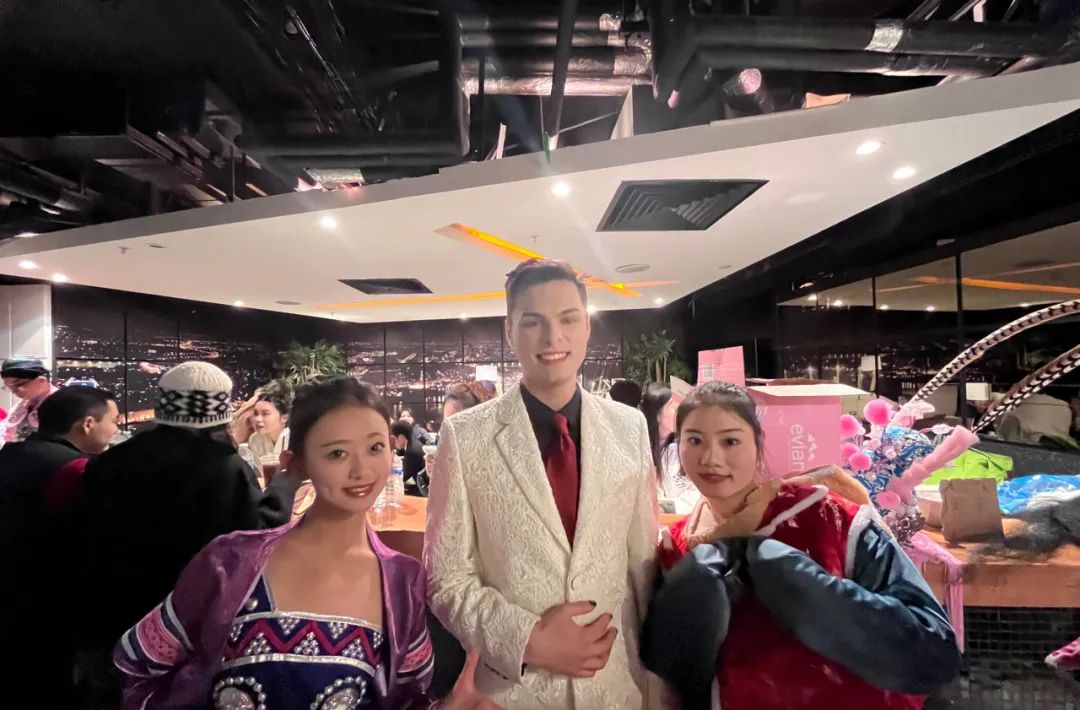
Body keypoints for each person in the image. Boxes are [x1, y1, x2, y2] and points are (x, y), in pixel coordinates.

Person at [114, 376, 500, 710]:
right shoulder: (229, 561)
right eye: (337, 453)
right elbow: (136, 664)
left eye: (375, 447)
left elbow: (406, 700)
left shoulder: (402, 582)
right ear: (296, 463)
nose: (361, 470)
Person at [425, 259, 659, 709]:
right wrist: (529, 640)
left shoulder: (629, 427)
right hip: (514, 694)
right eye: (534, 323)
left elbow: (642, 566)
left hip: (615, 690)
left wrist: (654, 688)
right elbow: (445, 578)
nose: (553, 337)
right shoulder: (466, 435)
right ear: (510, 331)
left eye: (568, 319)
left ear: (586, 327)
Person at [641, 381, 961, 709]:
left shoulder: (826, 516)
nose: (711, 458)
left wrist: (814, 594)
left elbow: (932, 651)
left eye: (730, 441)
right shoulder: (675, 549)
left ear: (758, 445)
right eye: (695, 440)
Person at [75, 362, 299, 703]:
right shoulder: (222, 466)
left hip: (110, 618)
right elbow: (258, 535)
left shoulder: (109, 461)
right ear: (219, 411)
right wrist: (286, 481)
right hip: (182, 625)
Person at [0, 386, 120, 702]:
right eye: (113, 420)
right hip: (47, 604)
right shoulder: (77, 469)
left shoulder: (10, 455)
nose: (115, 429)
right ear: (88, 424)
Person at [641, 381, 699, 515]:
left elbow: (696, 492)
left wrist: (668, 507)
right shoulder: (641, 451)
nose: (679, 411)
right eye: (672, 405)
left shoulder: (682, 449)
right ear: (657, 415)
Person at [1, 356, 60, 443]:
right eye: (9, 386)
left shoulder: (61, 403)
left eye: (18, 384)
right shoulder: (26, 402)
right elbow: (6, 431)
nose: (14, 391)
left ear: (41, 380)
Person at [248, 379, 293, 475]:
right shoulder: (255, 440)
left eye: (265, 413)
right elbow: (259, 476)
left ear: (284, 417)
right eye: (256, 413)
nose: (258, 419)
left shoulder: (295, 438)